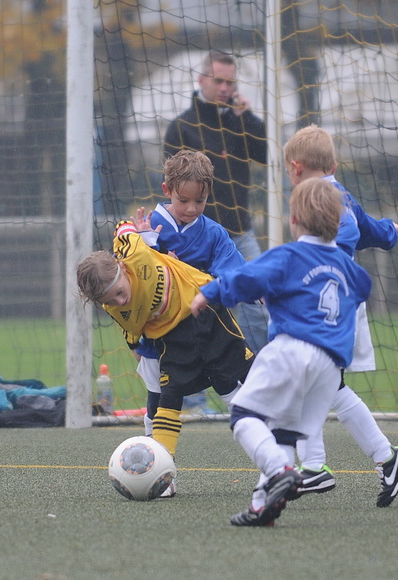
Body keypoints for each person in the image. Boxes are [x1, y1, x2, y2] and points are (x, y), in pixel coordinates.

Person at [189, 178, 372, 527]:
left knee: (243, 415)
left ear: (294, 220)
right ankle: (262, 506)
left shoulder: (289, 256)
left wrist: (209, 292)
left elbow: (246, 277)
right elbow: (364, 286)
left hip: (292, 349)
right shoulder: (348, 267)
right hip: (330, 366)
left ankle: (279, 470)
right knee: (284, 433)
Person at [281, 125, 398, 507]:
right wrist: (391, 232)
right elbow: (371, 229)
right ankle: (385, 458)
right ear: (334, 166)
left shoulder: (320, 198)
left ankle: (316, 467)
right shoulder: (342, 195)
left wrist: (327, 262)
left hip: (329, 310)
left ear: (295, 168)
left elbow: (349, 233)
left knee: (311, 381)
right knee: (327, 385)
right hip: (337, 307)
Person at [76, 209, 254, 468]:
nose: (120, 301)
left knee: (239, 383)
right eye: (110, 300)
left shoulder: (134, 253)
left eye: (120, 292)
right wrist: (138, 351)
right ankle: (160, 468)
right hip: (172, 337)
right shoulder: (115, 309)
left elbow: (123, 226)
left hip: (204, 307)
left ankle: (272, 450)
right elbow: (132, 332)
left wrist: (144, 234)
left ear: (122, 267)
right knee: (167, 397)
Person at [133, 151, 269, 437]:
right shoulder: (147, 228)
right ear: (167, 190)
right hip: (161, 332)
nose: (192, 208)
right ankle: (153, 455)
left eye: (200, 200)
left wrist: (259, 290)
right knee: (159, 397)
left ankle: (266, 445)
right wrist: (149, 249)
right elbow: (131, 277)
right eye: (183, 200)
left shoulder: (214, 233)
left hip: (207, 329)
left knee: (232, 386)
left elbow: (235, 272)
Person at [163, 50, 269, 260]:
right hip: (198, 237)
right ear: (201, 80)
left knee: (259, 281)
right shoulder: (181, 127)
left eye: (230, 83)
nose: (224, 88)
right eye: (218, 81)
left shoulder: (240, 121)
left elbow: (267, 156)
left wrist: (248, 118)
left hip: (240, 233)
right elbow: (170, 185)